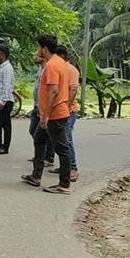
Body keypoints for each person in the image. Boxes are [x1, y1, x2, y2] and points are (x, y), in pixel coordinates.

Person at [21, 34, 72, 195]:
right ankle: (36, 176)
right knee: (38, 138)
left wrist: (45, 116)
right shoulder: (59, 62)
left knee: (62, 149)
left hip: (55, 114)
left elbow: (53, 92)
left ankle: (64, 184)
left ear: (44, 49)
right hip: (53, 113)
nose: (37, 51)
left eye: (38, 48)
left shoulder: (51, 66)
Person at [56, 45, 80, 183]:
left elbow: (73, 90)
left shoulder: (71, 70)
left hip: (69, 111)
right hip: (61, 110)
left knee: (67, 139)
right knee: (60, 140)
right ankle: (64, 166)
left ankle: (72, 168)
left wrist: (66, 107)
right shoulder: (61, 69)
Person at [28, 54, 55, 167]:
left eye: (37, 55)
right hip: (36, 104)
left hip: (42, 106)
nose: (34, 56)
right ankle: (40, 155)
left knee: (44, 134)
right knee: (34, 131)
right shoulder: (41, 69)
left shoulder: (48, 69)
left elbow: (52, 90)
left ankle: (48, 157)